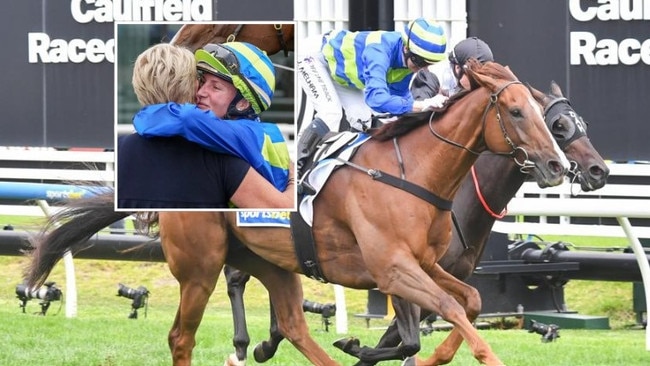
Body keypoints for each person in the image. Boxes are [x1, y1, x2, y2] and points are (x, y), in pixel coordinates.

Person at [117, 43, 294, 209]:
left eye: (215, 87)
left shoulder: (242, 134)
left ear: (243, 103)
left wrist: (145, 113)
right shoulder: (252, 132)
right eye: (203, 82)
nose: (201, 92)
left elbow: (186, 119)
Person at [295, 17, 448, 181]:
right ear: (405, 48)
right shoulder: (379, 50)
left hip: (342, 75)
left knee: (362, 119)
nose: (421, 68)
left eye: (428, 63)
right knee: (331, 114)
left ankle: (344, 172)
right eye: (419, 61)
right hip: (315, 57)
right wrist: (422, 105)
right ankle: (298, 168)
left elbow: (400, 99)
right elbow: (377, 99)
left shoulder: (408, 63)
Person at [415, 36, 494, 103]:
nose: (482, 80)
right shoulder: (429, 78)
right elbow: (414, 116)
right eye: (477, 75)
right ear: (458, 68)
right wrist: (430, 104)